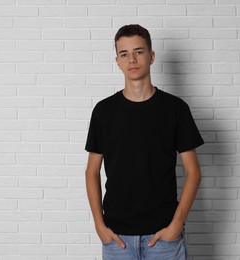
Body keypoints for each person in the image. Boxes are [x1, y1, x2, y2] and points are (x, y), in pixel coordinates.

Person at [84, 24, 204, 260]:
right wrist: (100, 226)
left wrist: (176, 225)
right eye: (124, 54)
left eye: (139, 51)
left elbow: (194, 172)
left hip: (164, 238)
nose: (132, 59)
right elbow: (92, 172)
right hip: (117, 239)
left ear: (151, 56)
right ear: (117, 60)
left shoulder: (175, 109)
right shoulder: (104, 111)